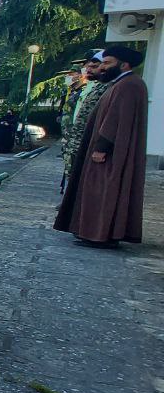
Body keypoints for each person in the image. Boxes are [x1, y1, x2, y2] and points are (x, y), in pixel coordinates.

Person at [54, 46, 147, 247]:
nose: (102, 67)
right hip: (109, 151)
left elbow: (116, 120)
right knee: (96, 190)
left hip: (110, 154)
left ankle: (100, 234)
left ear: (124, 64)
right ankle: (91, 232)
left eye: (107, 63)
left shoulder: (128, 85)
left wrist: (101, 147)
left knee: (103, 191)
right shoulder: (121, 84)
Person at [63, 50, 108, 180]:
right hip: (75, 142)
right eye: (87, 66)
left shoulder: (105, 88)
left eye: (94, 66)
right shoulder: (90, 87)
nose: (88, 69)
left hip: (87, 144)